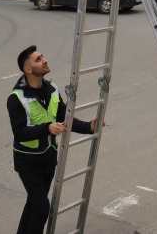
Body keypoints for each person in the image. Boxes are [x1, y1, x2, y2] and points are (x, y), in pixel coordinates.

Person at [7, 45, 98, 234]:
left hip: (48, 160)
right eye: (38, 59)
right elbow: (20, 133)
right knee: (41, 209)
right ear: (28, 69)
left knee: (34, 205)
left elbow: (65, 118)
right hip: (28, 163)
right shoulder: (16, 98)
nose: (45, 60)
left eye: (43, 56)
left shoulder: (52, 89)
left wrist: (89, 127)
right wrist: (47, 128)